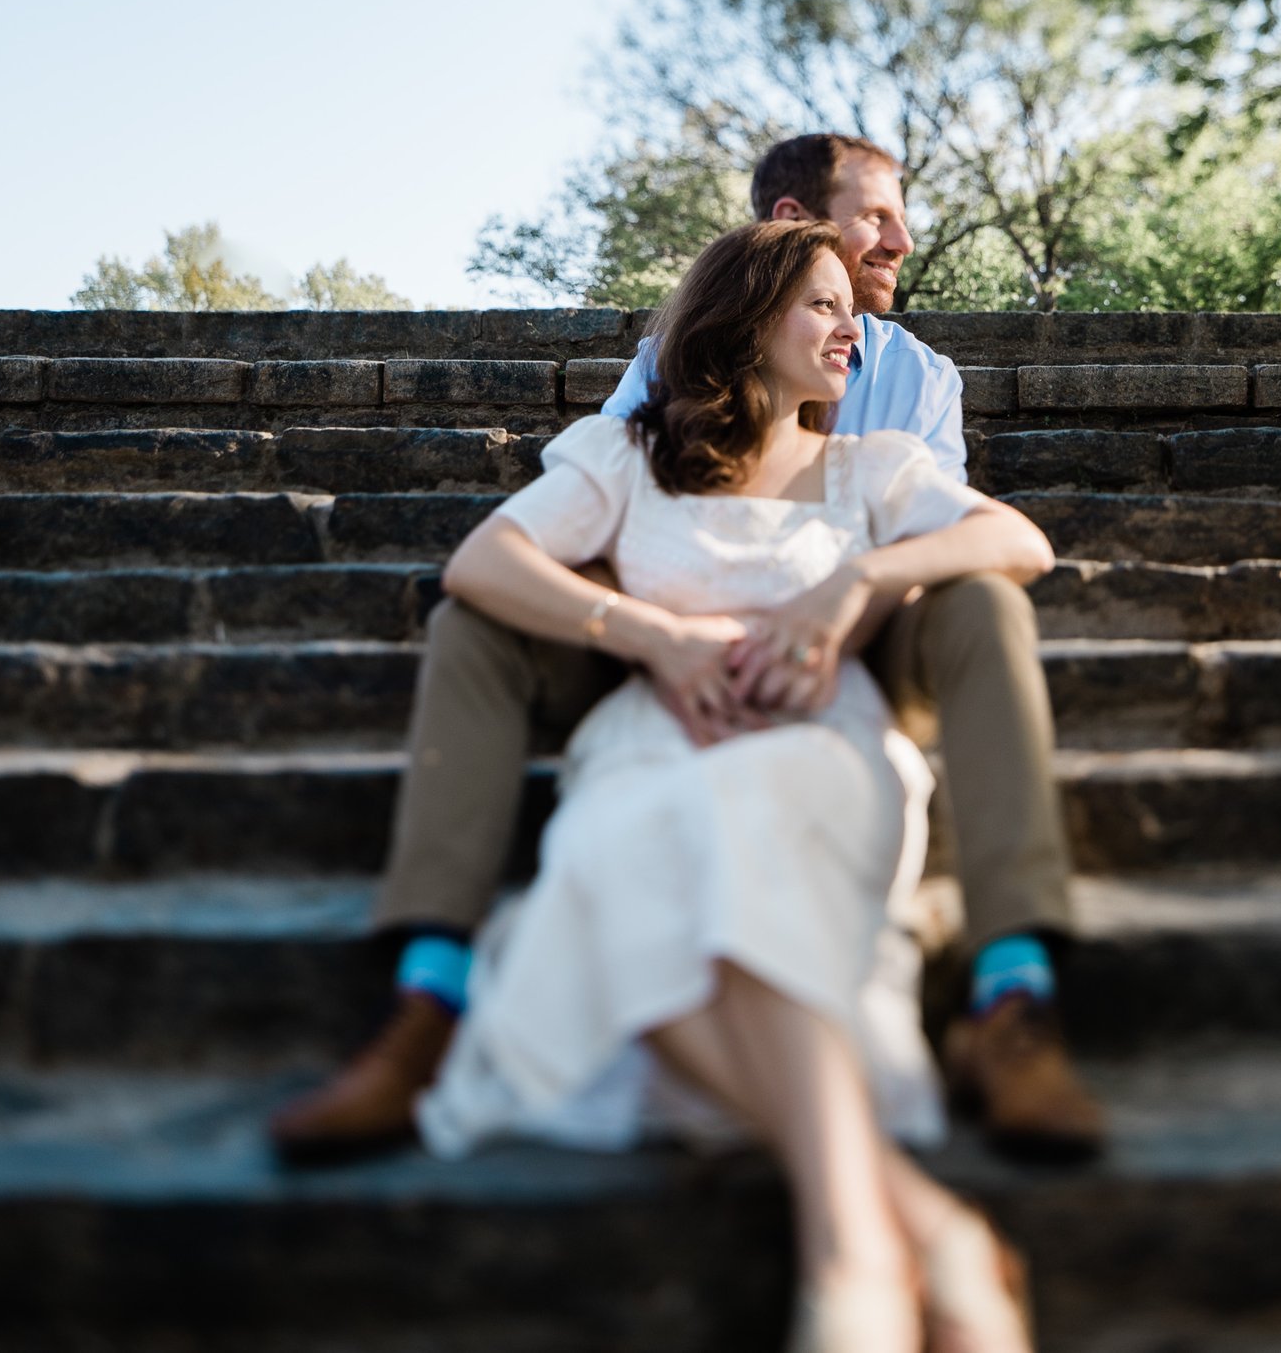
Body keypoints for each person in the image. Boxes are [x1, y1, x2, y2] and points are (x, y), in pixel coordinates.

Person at [268, 134, 1103, 1166]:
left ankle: (1012, 997)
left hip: (855, 654)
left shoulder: (907, 400)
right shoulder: (653, 403)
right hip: (662, 655)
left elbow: (973, 536)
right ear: (778, 253)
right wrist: (668, 637)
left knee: (984, 599)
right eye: (867, 228)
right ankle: (429, 1000)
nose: (898, 244)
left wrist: (837, 602)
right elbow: (601, 518)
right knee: (472, 618)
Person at [419, 220, 1042, 1350]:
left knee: (729, 819)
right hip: (652, 742)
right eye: (818, 302)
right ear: (744, 317)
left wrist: (858, 578)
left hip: (824, 749)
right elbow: (482, 562)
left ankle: (851, 1253)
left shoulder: (874, 465)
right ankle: (910, 1221)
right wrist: (646, 632)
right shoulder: (628, 455)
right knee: (623, 850)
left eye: (849, 304)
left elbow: (1016, 540)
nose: (851, 323)